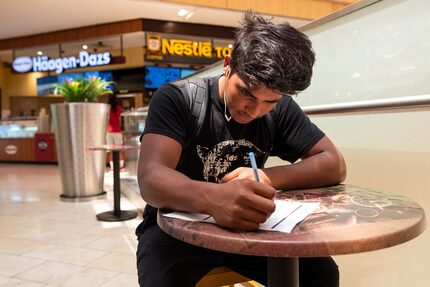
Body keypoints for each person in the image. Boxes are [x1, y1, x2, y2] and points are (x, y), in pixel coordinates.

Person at [136, 11, 346, 287]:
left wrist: (266, 176)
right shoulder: (178, 99)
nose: (255, 110)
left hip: (248, 230)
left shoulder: (280, 110)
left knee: (322, 273)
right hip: (173, 231)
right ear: (228, 64)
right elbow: (151, 178)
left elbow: (334, 163)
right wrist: (214, 199)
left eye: (270, 101)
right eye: (246, 92)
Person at [106, 90, 124, 169]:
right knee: (119, 150)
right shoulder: (118, 108)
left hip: (109, 132)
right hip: (117, 131)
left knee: (110, 150)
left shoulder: (107, 108)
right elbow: (120, 121)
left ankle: (113, 166)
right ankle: (120, 166)